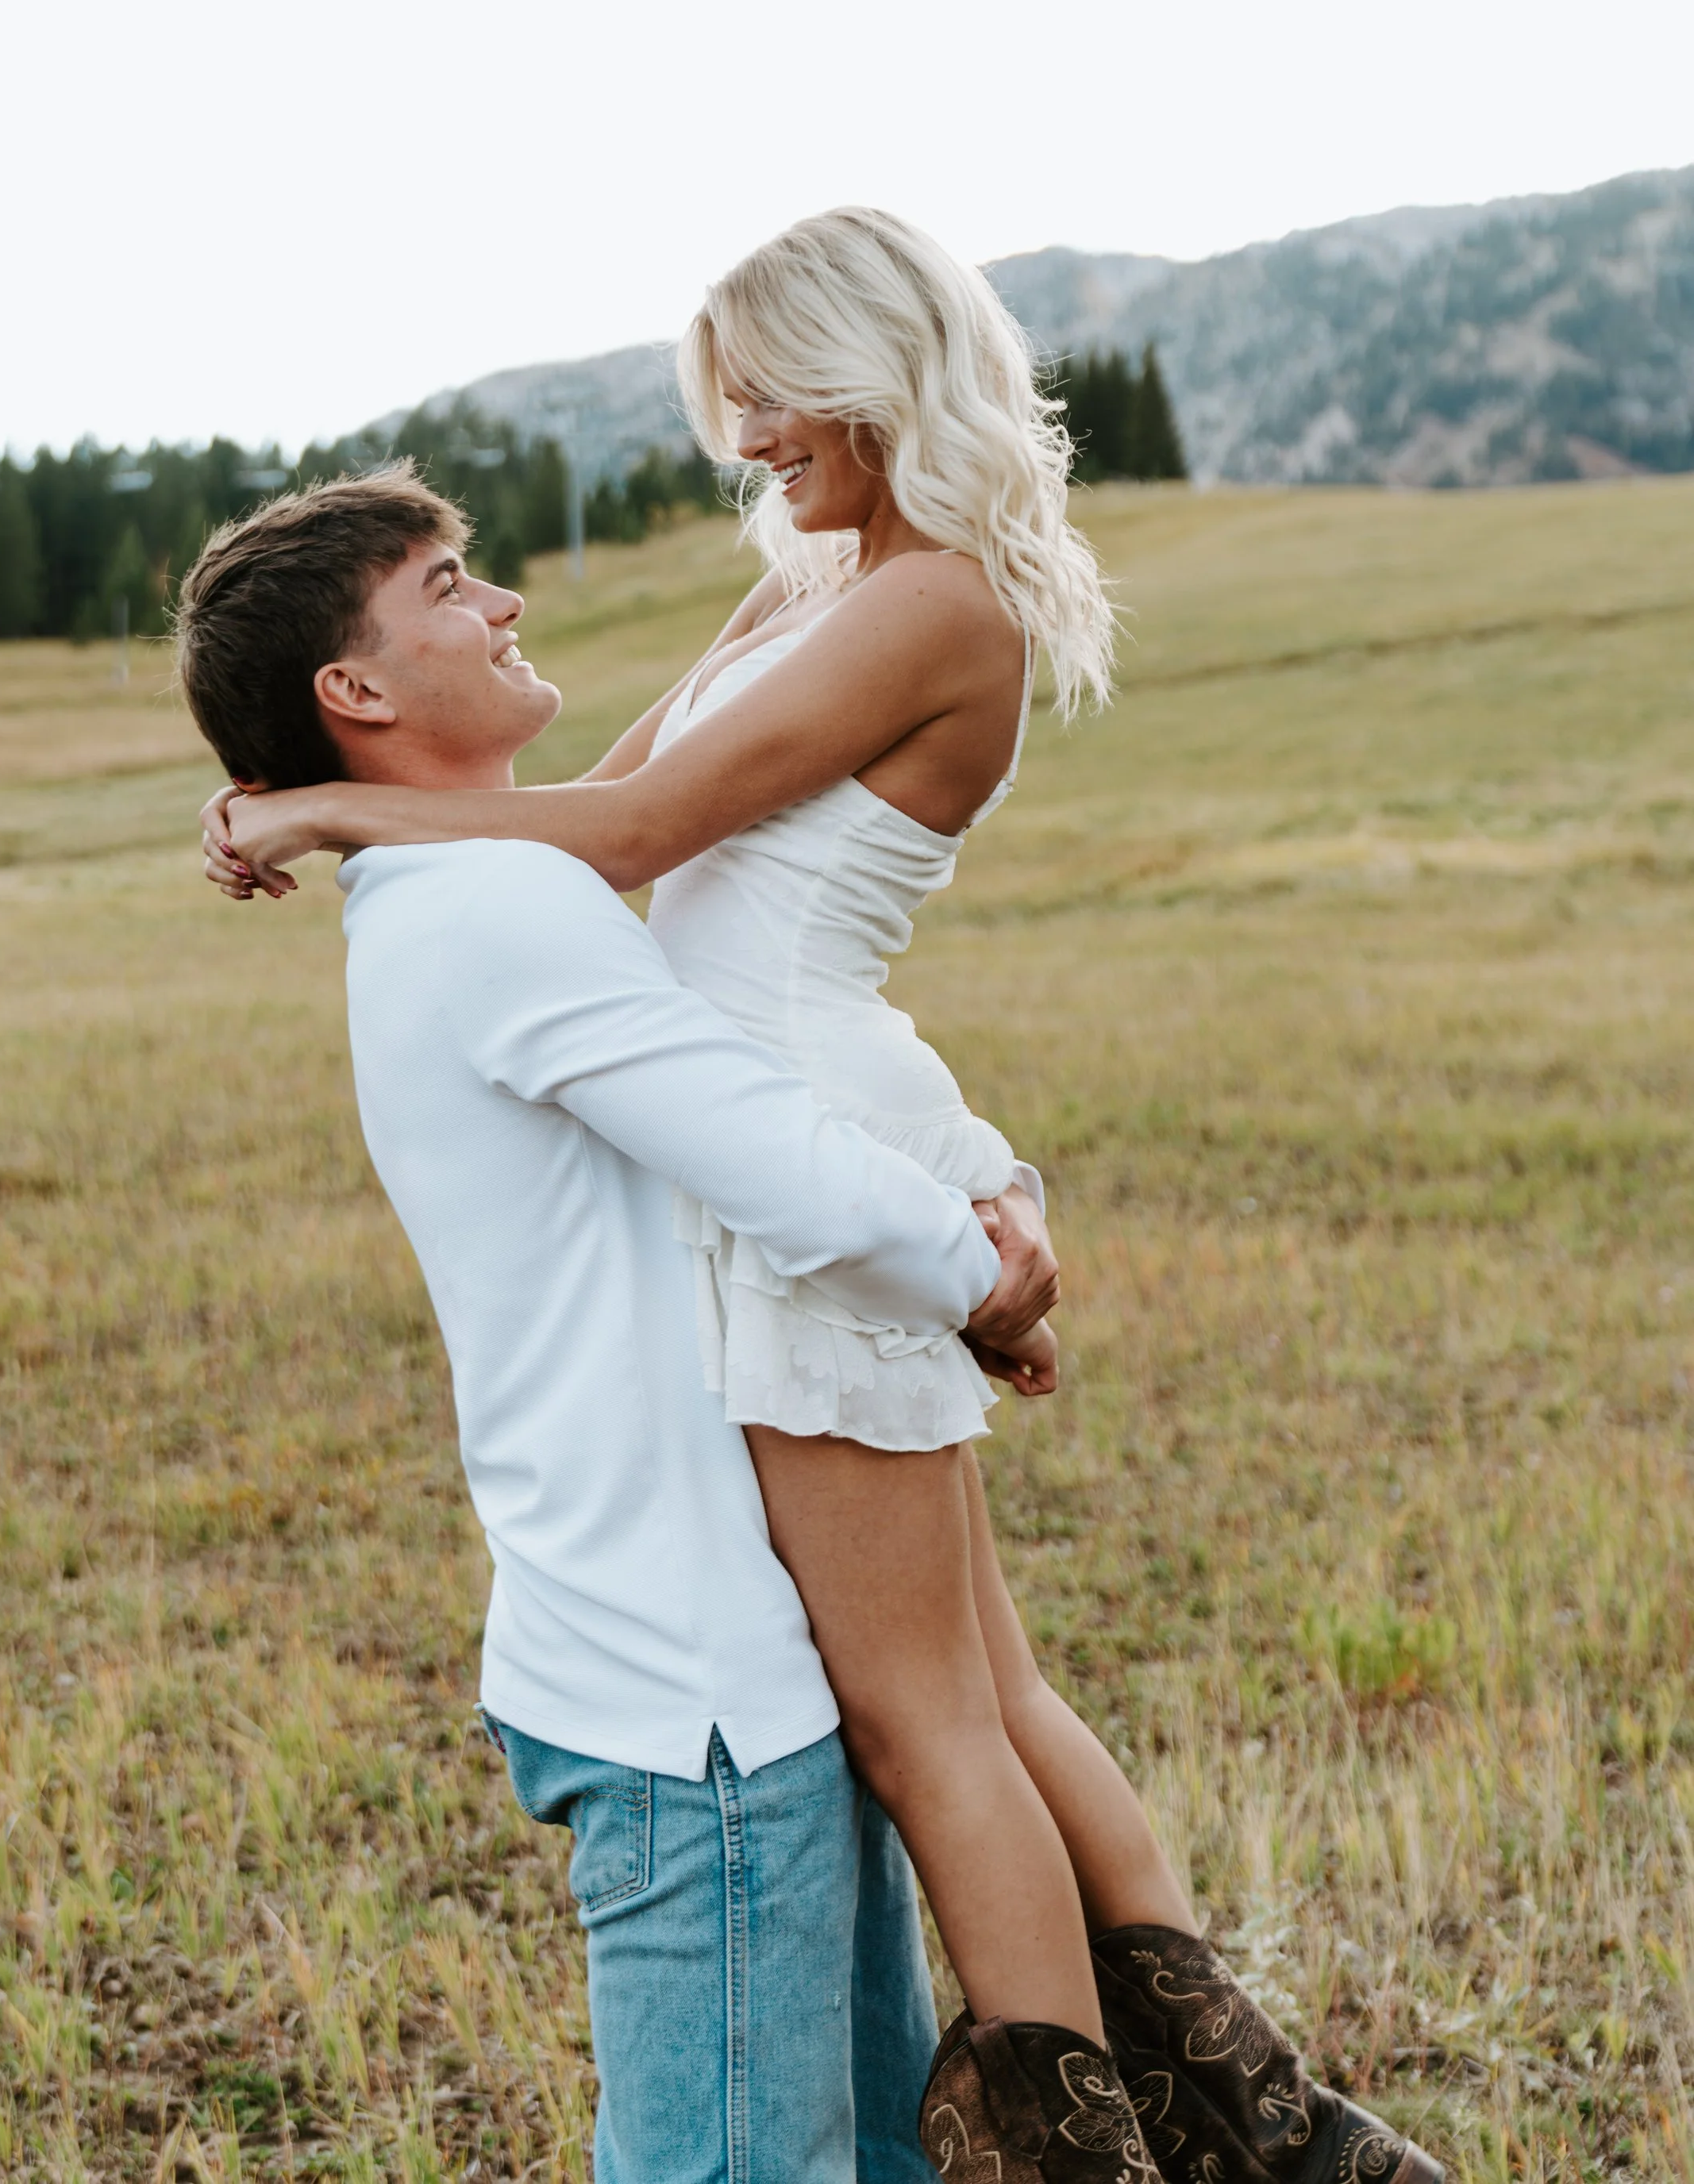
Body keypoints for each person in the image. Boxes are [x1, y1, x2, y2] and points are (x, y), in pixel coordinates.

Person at [201, 212, 1442, 2184]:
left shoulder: (938, 602)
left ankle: (1088, 2143)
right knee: (987, 1690)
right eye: (733, 401)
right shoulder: (814, 584)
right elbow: (589, 817)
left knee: (925, 1718)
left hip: (791, 1135)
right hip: (789, 1117)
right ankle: (1263, 2129)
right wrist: (371, 796)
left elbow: (623, 832)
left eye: (773, 392)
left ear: (878, 371)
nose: (748, 434)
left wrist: (336, 802)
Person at [172, 463, 1065, 2184]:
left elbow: (702, 890)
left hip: (716, 1666)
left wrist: (981, 1200)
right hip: (695, 1709)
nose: (501, 602)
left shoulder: (474, 883)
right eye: (447, 587)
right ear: (352, 692)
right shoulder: (495, 907)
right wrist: (987, 1277)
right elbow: (785, 1165)